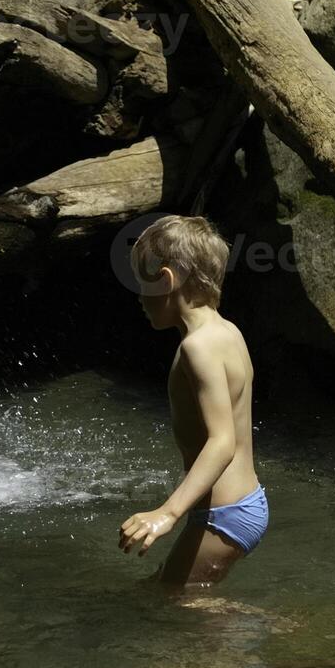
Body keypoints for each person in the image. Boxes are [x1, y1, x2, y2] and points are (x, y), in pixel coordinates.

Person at [117, 215, 268, 586]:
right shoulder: (227, 332)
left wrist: (168, 513)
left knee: (179, 605)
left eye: (141, 283)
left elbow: (222, 442)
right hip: (241, 504)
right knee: (156, 590)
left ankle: (276, 628)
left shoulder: (197, 347)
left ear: (166, 280)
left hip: (224, 514)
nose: (139, 297)